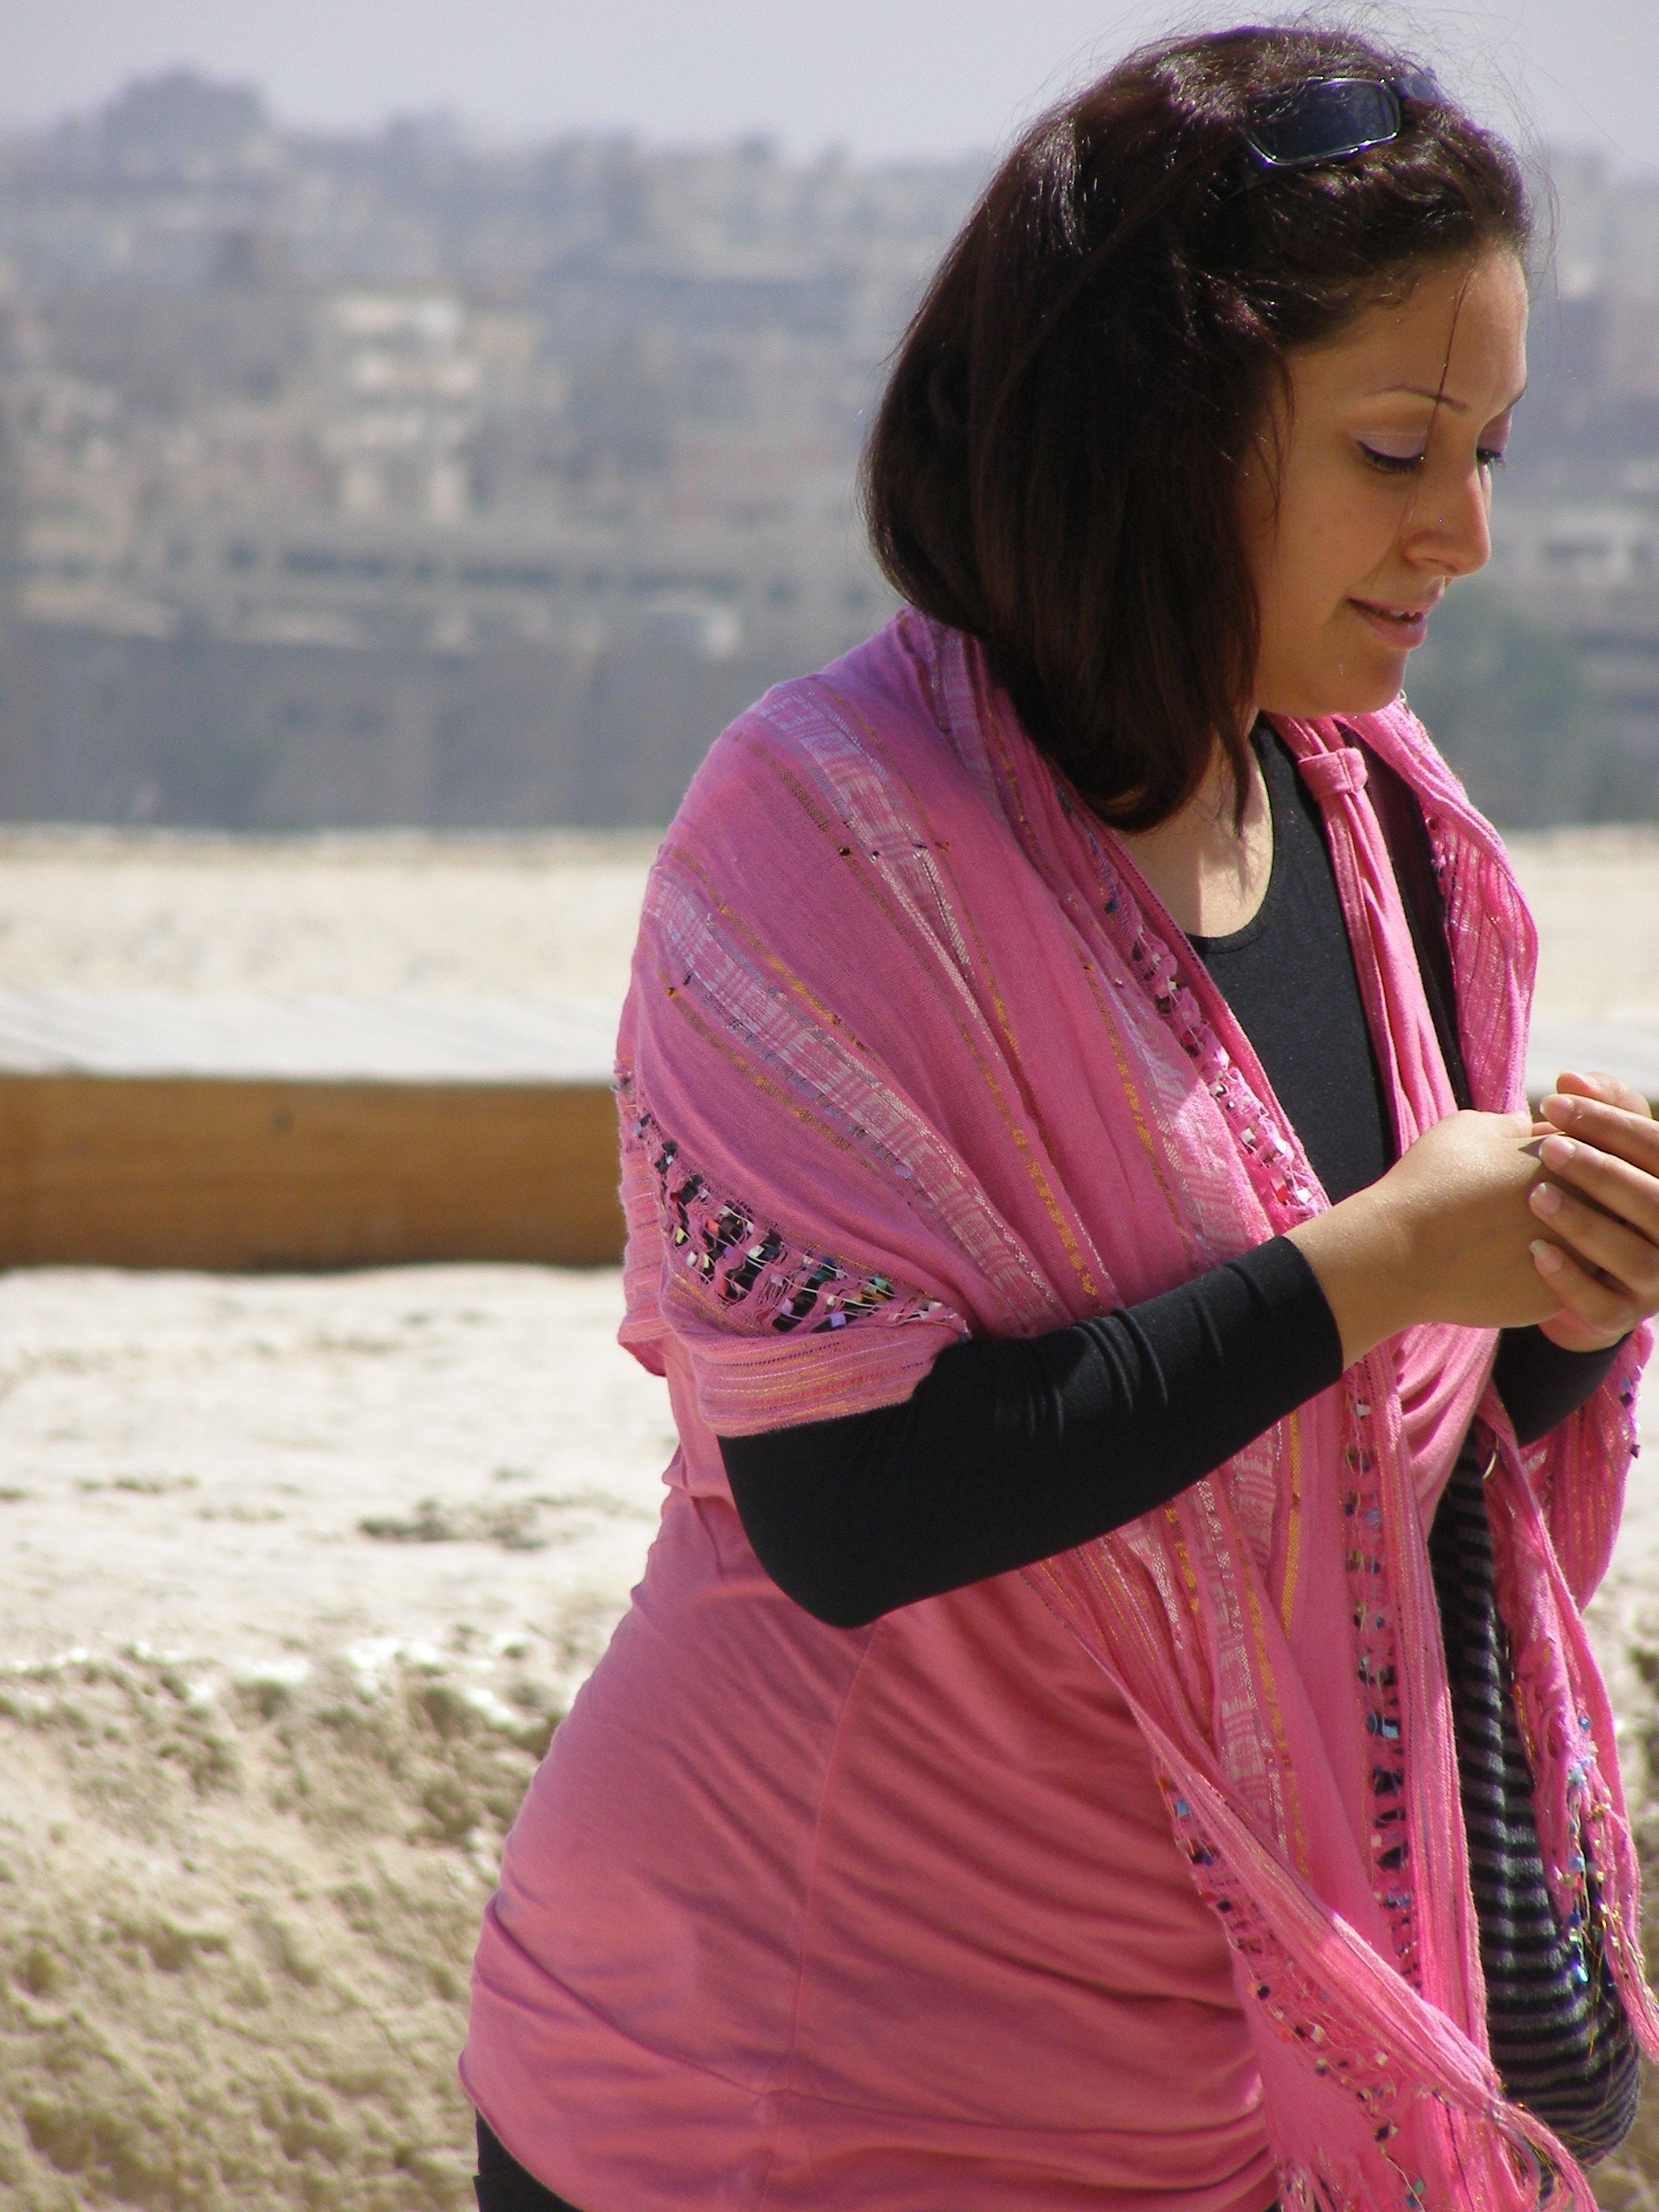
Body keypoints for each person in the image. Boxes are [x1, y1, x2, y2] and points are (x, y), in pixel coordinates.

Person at [463, 26, 1659, 2210]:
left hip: (1194, 2110)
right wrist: (1384, 1257)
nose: (1467, 534)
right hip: (761, 2095)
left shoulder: (1390, 840)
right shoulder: (828, 836)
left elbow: (1382, 1468)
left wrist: (1564, 1278)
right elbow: (849, 1501)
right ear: (1162, 432)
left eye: (1488, 450)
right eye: (1397, 449)